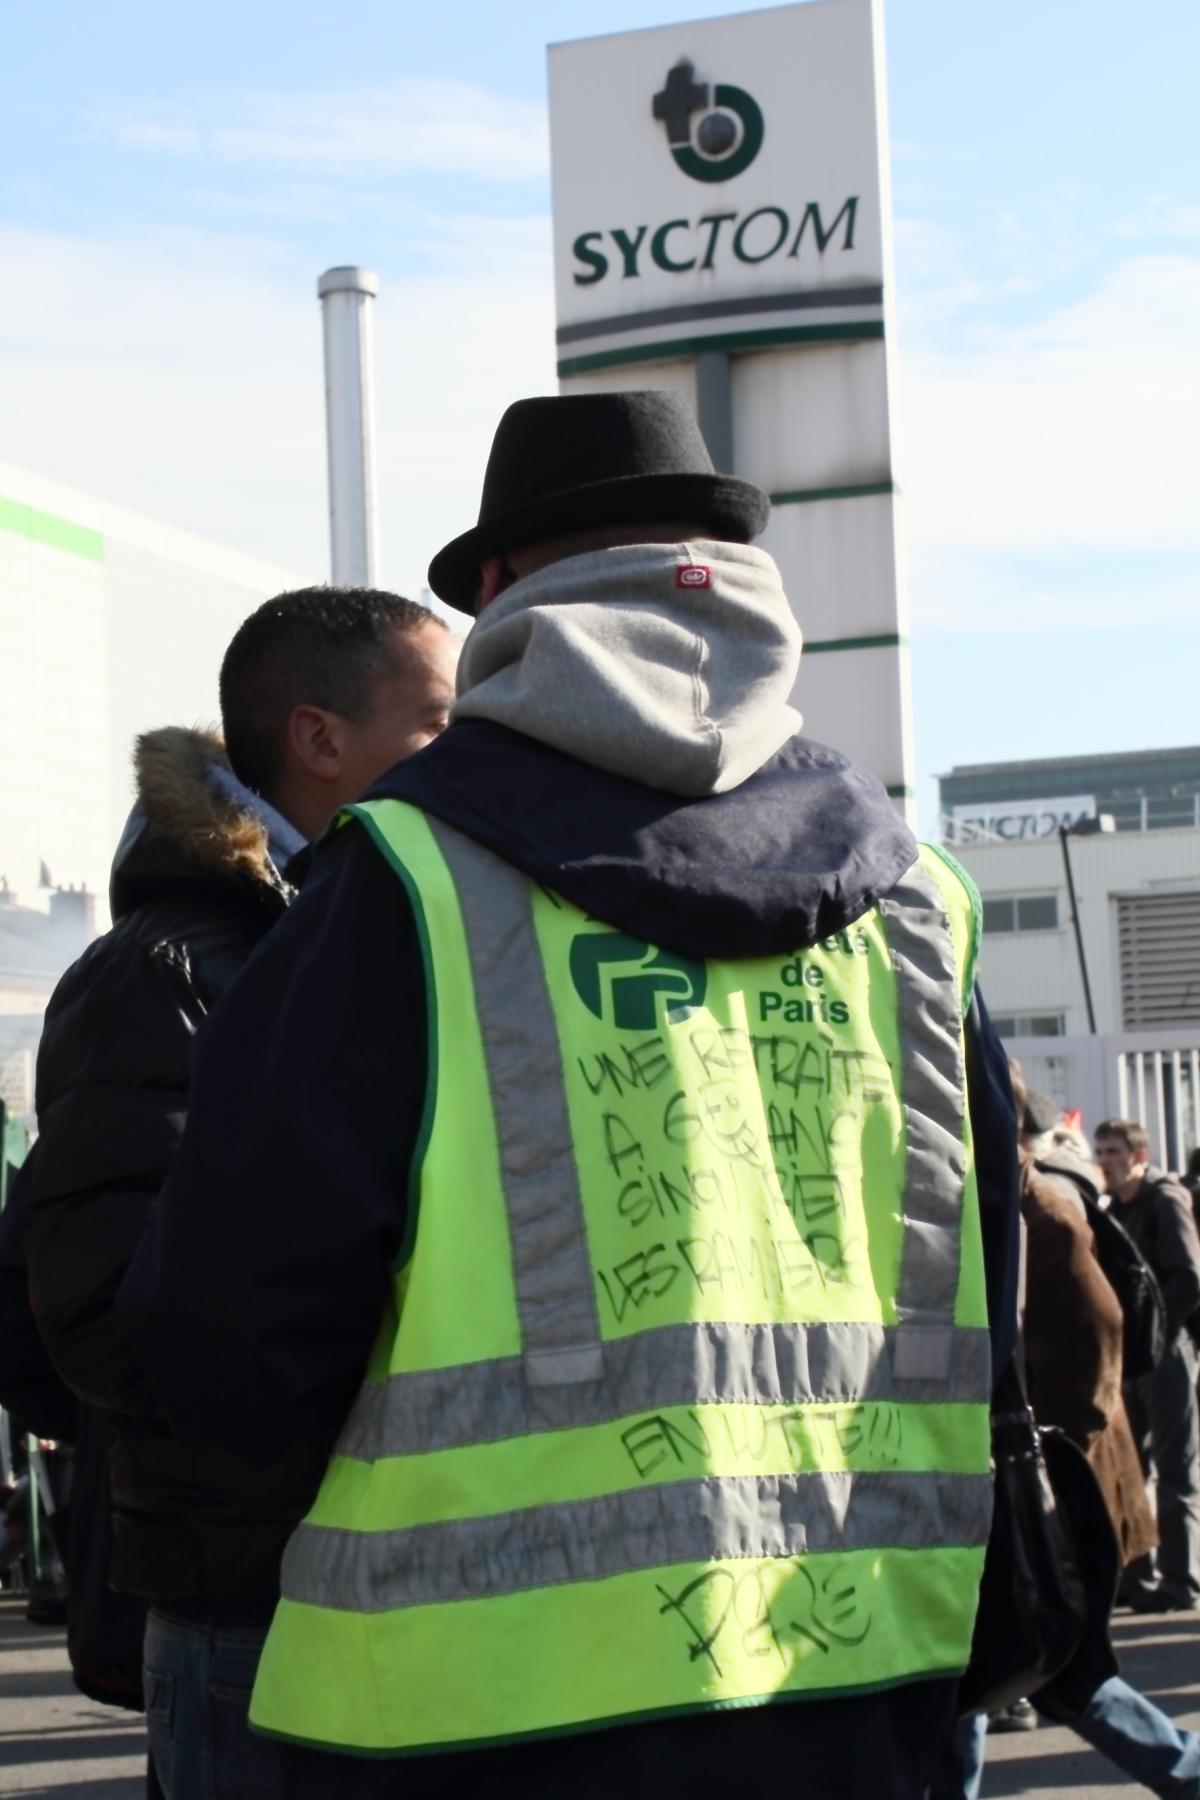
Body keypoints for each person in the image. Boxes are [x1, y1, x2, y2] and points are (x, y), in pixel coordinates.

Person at [120, 391, 1020, 1800]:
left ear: (497, 592)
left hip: (454, 1712)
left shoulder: (403, 883)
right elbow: (993, 1295)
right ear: (729, 573)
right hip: (857, 1674)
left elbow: (227, 1331)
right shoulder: (921, 899)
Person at [18, 587, 459, 1800]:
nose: (470, 749)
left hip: (410, 1579)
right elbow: (106, 1314)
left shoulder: (381, 929)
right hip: (258, 1599)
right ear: (319, 742)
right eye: (437, 721)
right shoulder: (164, 975)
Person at [933, 1077, 1200, 1800]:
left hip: (1036, 1486)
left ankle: (1186, 1768)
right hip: (1027, 1482)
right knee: (1002, 1664)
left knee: (1041, 1667)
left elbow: (1101, 1341)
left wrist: (1043, 1453)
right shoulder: (1014, 1201)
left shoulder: (1034, 1209)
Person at [1096, 1117, 1200, 1610]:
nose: (1105, 1162)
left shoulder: (1165, 1199)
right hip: (1134, 1356)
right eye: (1101, 1152)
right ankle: (1139, 1575)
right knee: (1131, 1466)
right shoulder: (1116, 1208)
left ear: (1138, 1155)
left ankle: (1181, 1582)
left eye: (1114, 1152)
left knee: (1175, 1469)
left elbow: (1188, 1277)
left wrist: (1155, 1335)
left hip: (1165, 1352)